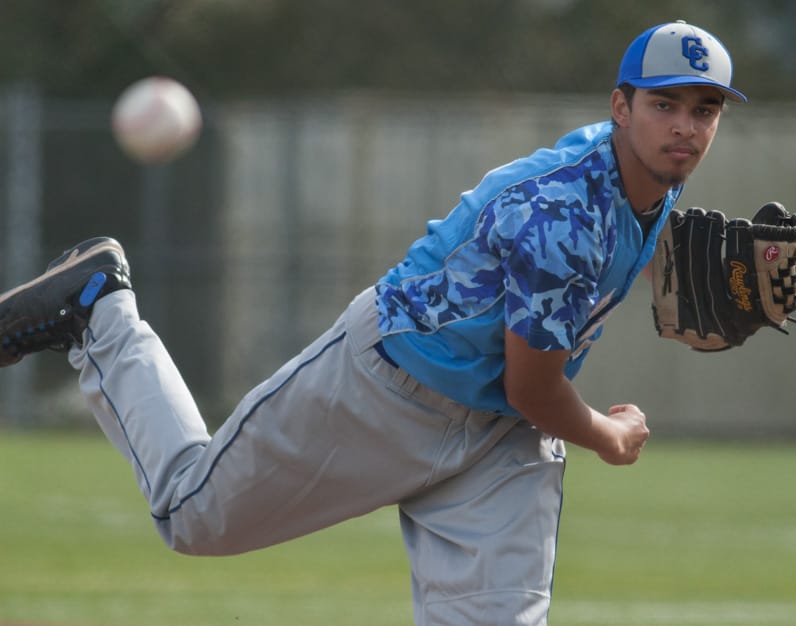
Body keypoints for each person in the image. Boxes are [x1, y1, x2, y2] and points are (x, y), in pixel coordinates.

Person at [0, 20, 746, 626]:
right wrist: (611, 437)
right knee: (197, 518)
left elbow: (547, 345)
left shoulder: (651, 177)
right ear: (621, 106)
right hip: (389, 385)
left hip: (497, 441)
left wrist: (669, 278)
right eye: (664, 104)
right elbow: (535, 389)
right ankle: (99, 310)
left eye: (703, 109)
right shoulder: (563, 215)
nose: (684, 128)